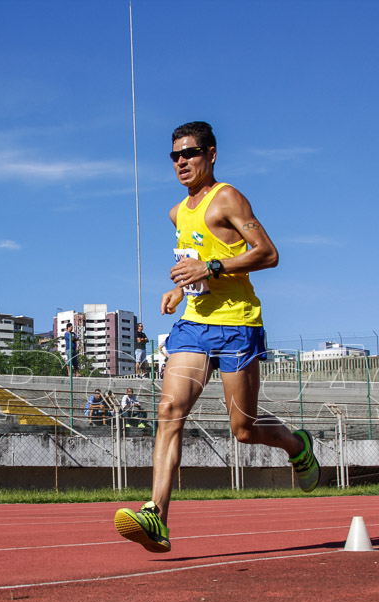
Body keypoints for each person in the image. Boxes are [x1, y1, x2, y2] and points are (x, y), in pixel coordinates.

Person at [114, 121, 321, 553]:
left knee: (243, 428)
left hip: (237, 325)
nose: (181, 162)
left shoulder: (226, 197)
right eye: (174, 156)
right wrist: (180, 288)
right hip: (194, 325)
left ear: (210, 154)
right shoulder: (177, 212)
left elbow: (269, 253)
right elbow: (198, 264)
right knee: (170, 409)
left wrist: (210, 269)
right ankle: (157, 516)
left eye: (189, 153)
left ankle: (296, 445)